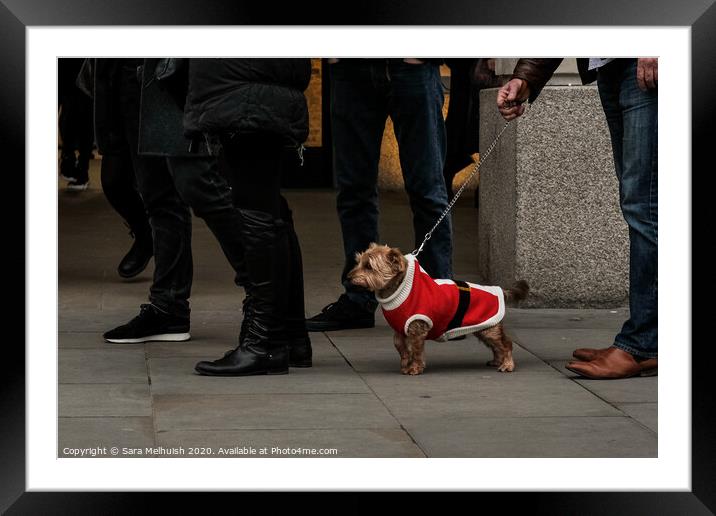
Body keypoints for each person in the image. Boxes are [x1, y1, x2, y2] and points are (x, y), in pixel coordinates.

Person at [97, 58, 312, 376]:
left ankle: (267, 332)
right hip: (186, 71)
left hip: (228, 75)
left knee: (238, 198)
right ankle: (275, 334)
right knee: (169, 193)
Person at [497, 58, 658, 379]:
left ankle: (643, 343)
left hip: (644, 63)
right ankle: (647, 339)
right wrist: (525, 78)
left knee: (647, 207)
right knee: (641, 205)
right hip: (611, 67)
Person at [183, 58, 313, 376]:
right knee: (266, 207)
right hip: (253, 80)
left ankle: (264, 344)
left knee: (256, 207)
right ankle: (287, 338)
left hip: (245, 81)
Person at [305, 58, 453, 332]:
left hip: (412, 63)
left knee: (428, 191)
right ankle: (358, 299)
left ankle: (441, 304)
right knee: (353, 190)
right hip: (351, 62)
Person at [78, 59, 154, 279]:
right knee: (113, 181)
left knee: (160, 190)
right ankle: (145, 234)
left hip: (146, 77)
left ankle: (170, 289)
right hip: (112, 80)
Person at [58, 58, 94, 191]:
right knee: (71, 113)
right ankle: (69, 159)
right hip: (65, 62)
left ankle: (81, 167)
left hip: (80, 63)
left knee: (81, 113)